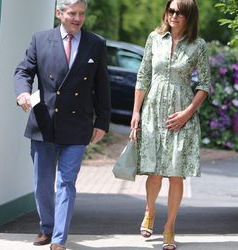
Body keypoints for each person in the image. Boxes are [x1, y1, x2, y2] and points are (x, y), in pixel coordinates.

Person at [14, 0, 111, 249]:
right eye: (72, 13)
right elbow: (24, 71)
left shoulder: (96, 43)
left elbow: (102, 86)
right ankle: (47, 228)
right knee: (43, 184)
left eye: (82, 14)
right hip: (44, 122)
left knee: (67, 182)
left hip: (78, 125)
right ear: (59, 14)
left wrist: (102, 122)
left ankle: (59, 239)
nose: (78, 18)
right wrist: (23, 93)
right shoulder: (40, 39)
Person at [130, 0, 211, 249]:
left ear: (189, 16)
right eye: (171, 10)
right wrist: (136, 112)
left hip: (180, 114)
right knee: (154, 172)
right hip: (153, 110)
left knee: (176, 175)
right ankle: (150, 210)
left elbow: (205, 84)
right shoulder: (154, 38)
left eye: (180, 12)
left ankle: (170, 226)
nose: (174, 15)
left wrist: (187, 113)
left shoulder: (198, 45)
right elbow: (143, 75)